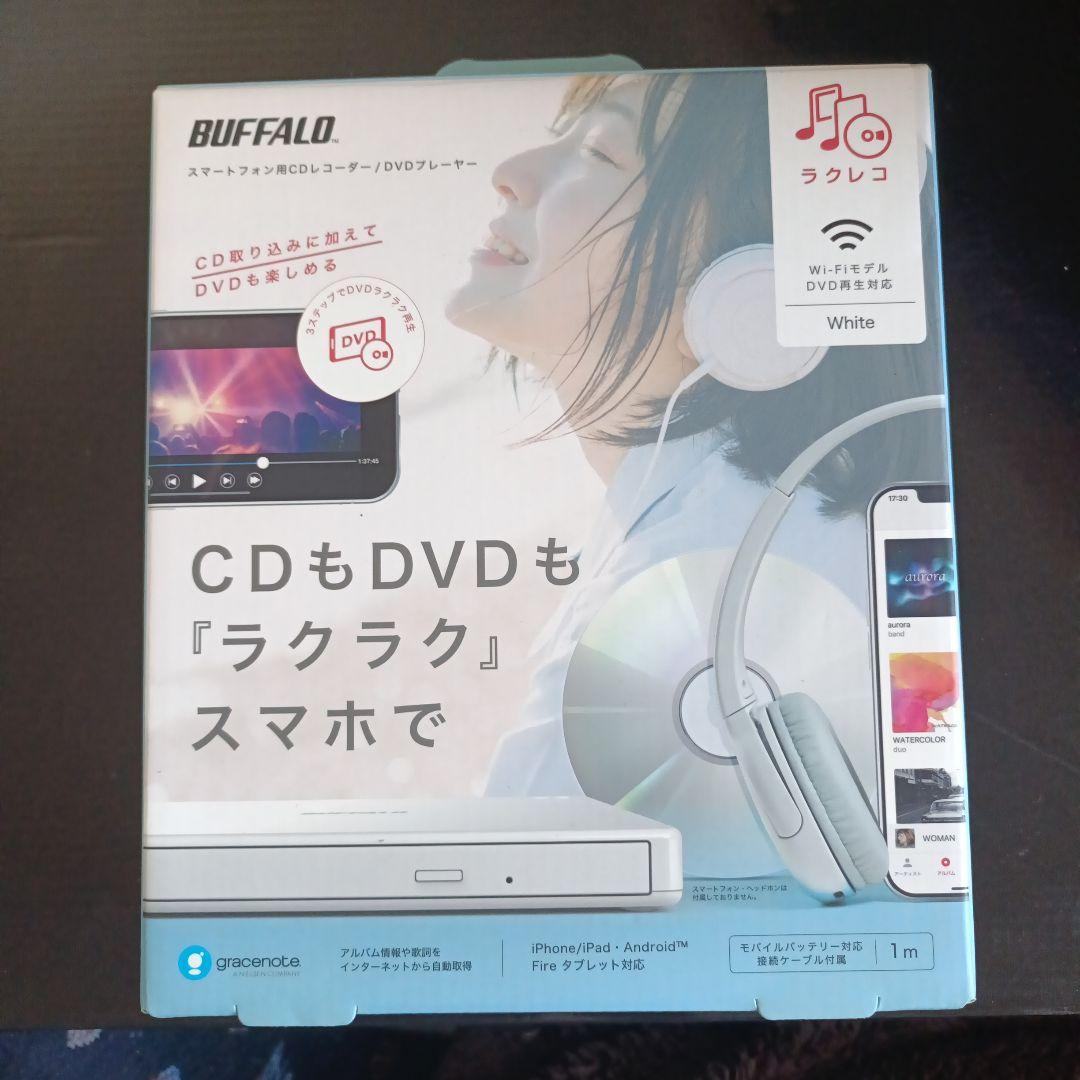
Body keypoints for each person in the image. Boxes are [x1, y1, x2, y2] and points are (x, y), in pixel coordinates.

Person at [446, 72, 946, 808]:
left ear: (742, 296)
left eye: (599, 151)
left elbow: (521, 873)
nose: (510, 173)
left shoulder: (706, 585)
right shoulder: (766, 520)